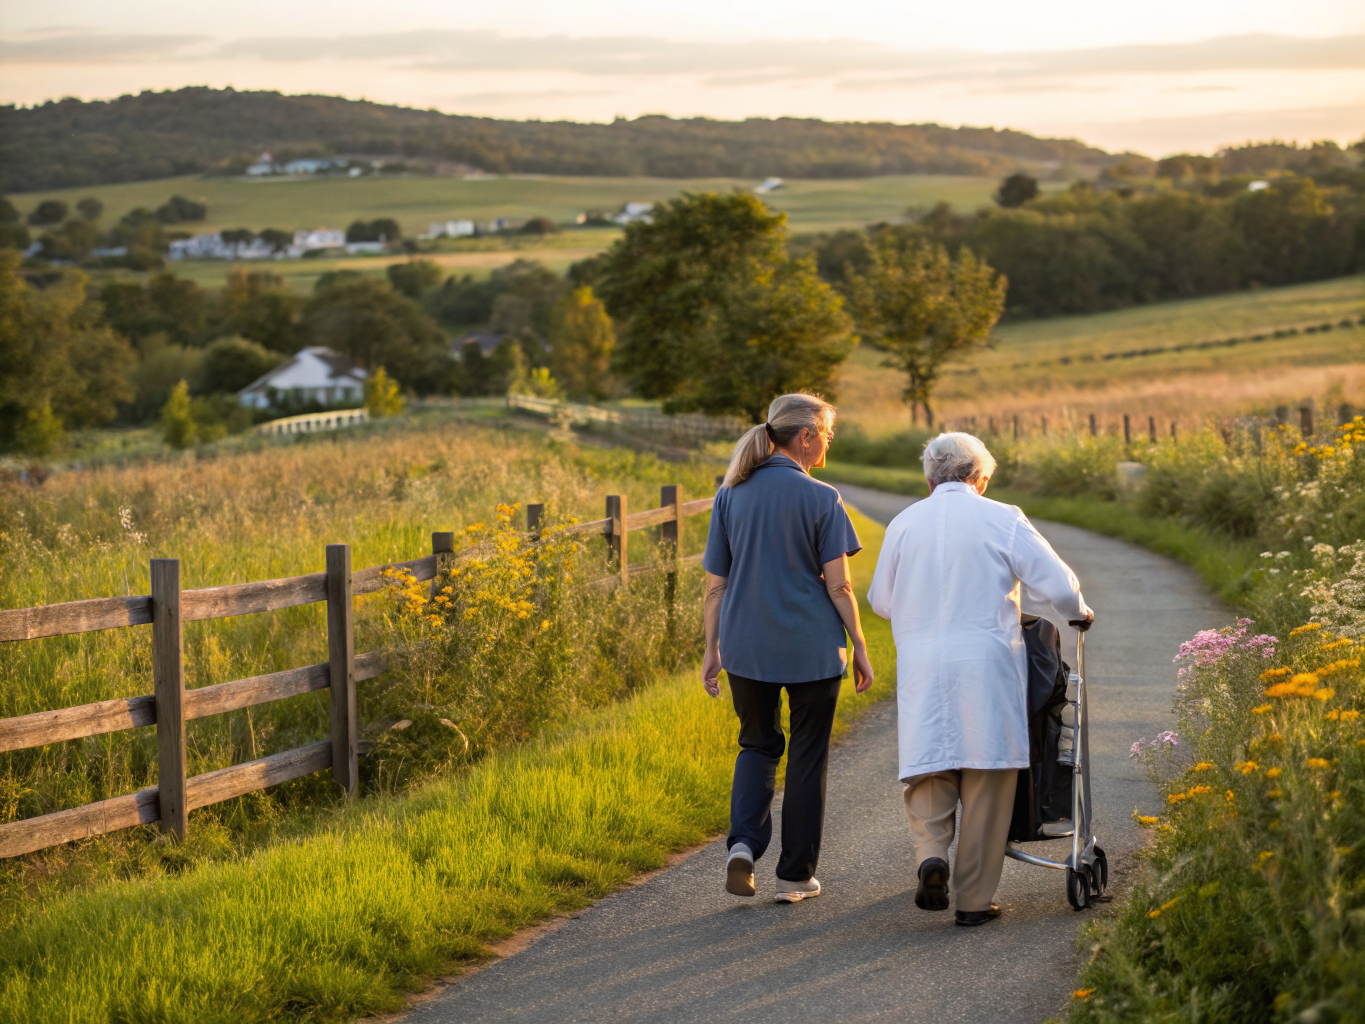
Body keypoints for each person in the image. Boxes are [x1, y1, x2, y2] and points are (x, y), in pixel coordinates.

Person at [867, 432, 1092, 927]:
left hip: (923, 662)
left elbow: (881, 601)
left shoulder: (905, 522)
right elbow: (1056, 584)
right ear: (980, 479)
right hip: (986, 663)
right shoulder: (1003, 518)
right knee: (988, 776)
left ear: (929, 480)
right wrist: (1078, 611)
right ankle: (973, 901)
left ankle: (931, 855)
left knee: (931, 766)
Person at [702, 393, 874, 903]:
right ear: (805, 437)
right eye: (827, 434)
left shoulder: (730, 494)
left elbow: (715, 588)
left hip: (745, 646)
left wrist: (712, 648)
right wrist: (860, 644)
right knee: (806, 755)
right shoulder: (823, 498)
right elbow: (839, 586)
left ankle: (743, 845)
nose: (828, 444)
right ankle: (795, 877)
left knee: (756, 745)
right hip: (813, 649)